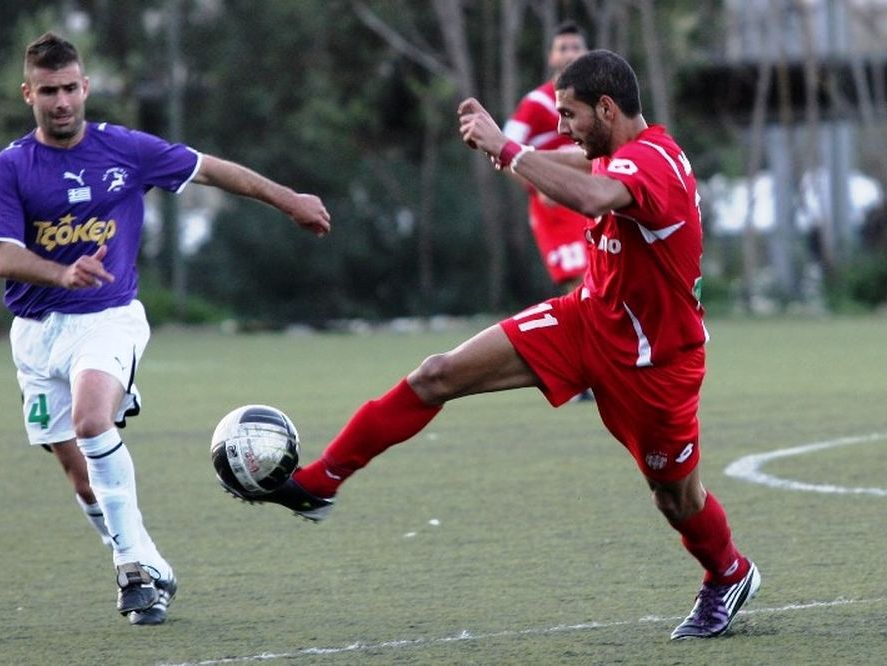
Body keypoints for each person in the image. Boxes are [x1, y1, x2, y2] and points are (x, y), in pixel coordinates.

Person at [227, 50, 760, 641]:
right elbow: (571, 169)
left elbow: (590, 196)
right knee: (437, 374)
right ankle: (319, 483)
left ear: (607, 107)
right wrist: (505, 151)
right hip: (586, 320)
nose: (562, 126)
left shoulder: (654, 163)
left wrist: (507, 148)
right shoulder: (618, 155)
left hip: (655, 363)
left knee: (675, 497)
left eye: (571, 114)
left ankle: (729, 572)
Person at [0, 32, 331, 626]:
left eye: (70, 88)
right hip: (36, 334)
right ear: (28, 94)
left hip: (109, 319)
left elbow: (213, 172)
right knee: (81, 478)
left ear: (85, 88)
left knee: (93, 421)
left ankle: (132, 574)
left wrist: (287, 198)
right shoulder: (11, 167)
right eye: (48, 91)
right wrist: (61, 271)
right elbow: (2, 257)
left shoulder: (126, 150)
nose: (61, 101)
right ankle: (144, 559)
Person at [503, 21, 591, 290]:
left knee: (607, 278)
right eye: (563, 48)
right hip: (556, 206)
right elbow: (503, 149)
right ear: (552, 57)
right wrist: (538, 185)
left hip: (595, 196)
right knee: (580, 282)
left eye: (576, 47)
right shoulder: (536, 103)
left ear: (587, 54)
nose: (570, 53)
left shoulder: (597, 101)